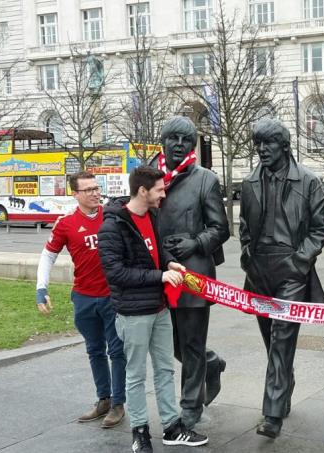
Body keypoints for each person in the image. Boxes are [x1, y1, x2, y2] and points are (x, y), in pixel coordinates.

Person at [98, 166, 208, 452]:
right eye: (159, 189)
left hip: (159, 308)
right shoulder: (113, 226)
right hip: (134, 314)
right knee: (136, 375)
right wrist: (159, 276)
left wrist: (169, 262)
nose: (164, 194)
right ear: (143, 191)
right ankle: (140, 431)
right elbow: (116, 273)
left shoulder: (153, 216)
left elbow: (156, 251)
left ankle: (172, 427)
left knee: (165, 370)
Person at [239, 118, 324, 438]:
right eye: (258, 144)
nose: (262, 150)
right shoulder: (250, 182)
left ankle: (272, 414)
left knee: (281, 338)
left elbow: (321, 228)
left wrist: (300, 261)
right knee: (271, 339)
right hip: (260, 271)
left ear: (285, 146)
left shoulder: (308, 182)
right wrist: (247, 256)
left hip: (291, 269)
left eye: (269, 144)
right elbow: (245, 227)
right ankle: (284, 383)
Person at [35, 171, 126, 429]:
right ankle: (104, 399)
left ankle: (118, 403)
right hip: (84, 298)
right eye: (88, 190)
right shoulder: (65, 223)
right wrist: (41, 288)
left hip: (112, 297)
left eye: (97, 188)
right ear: (75, 194)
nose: (95, 193)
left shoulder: (112, 215)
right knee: (94, 350)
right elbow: (48, 255)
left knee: (117, 351)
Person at [156, 116, 230, 429]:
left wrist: (194, 242)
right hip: (159, 272)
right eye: (173, 138)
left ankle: (190, 406)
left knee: (191, 343)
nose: (179, 145)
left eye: (186, 140)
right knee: (174, 344)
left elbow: (220, 229)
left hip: (193, 274)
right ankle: (210, 365)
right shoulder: (150, 177)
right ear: (163, 141)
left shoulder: (206, 180)